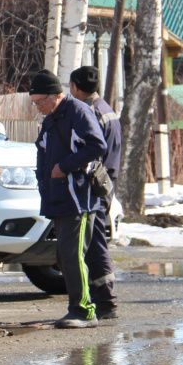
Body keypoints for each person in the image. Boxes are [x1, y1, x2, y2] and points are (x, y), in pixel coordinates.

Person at [29, 69, 107, 328]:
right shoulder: (51, 118)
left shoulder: (78, 111)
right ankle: (79, 307)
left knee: (73, 255)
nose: (39, 107)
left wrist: (64, 166)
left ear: (56, 95)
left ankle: (84, 311)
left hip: (78, 198)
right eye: (35, 103)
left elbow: (97, 145)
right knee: (65, 256)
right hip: (58, 197)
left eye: (40, 101)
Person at [69, 65, 121, 319]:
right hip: (107, 181)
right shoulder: (106, 109)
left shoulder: (89, 113)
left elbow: (90, 151)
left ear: (76, 87)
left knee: (95, 244)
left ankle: (106, 301)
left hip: (95, 185)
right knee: (96, 241)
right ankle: (103, 299)